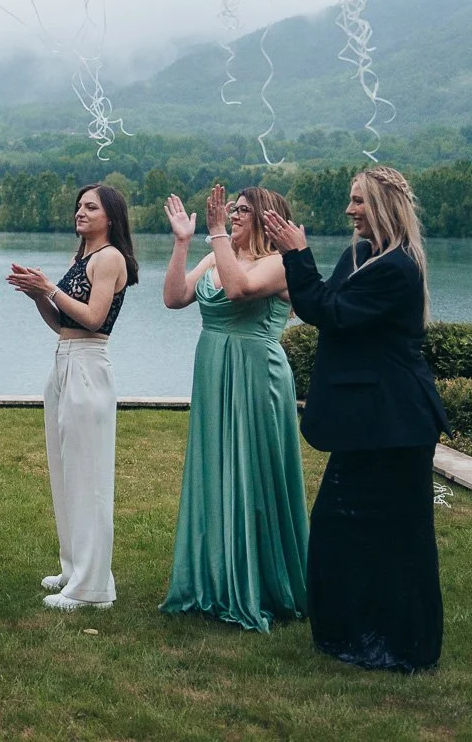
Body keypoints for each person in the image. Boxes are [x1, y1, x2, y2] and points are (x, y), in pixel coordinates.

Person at [263, 166, 449, 673]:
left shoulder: (399, 268)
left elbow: (334, 314)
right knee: (338, 531)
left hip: (396, 422)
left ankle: (401, 645)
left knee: (398, 537)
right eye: (351, 201)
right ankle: (348, 633)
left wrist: (297, 256)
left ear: (386, 206)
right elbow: (321, 301)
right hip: (367, 421)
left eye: (359, 202)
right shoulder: (360, 255)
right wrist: (287, 268)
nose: (350, 210)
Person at [158, 184, 309, 634]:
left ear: (267, 219)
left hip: (257, 375)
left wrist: (219, 232)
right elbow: (174, 297)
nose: (235, 214)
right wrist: (184, 242)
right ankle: (214, 578)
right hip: (213, 373)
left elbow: (240, 289)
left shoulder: (279, 263)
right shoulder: (214, 254)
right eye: (233, 208)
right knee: (216, 469)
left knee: (255, 472)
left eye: (245, 210)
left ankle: (264, 583)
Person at [6, 184, 136, 611]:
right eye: (79, 205)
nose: (80, 212)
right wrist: (38, 295)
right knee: (65, 471)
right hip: (63, 359)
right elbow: (61, 321)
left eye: (90, 207)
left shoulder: (110, 258)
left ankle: (93, 587)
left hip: (88, 364)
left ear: (111, 217)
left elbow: (95, 319)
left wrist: (50, 287)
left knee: (89, 477)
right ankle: (74, 568)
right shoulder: (80, 258)